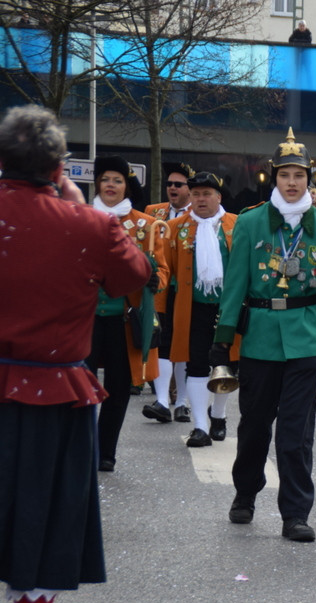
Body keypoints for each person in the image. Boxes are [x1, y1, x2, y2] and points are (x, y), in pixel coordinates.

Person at [0, 104, 151, 603]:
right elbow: (134, 275)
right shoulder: (87, 225)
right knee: (44, 523)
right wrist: (76, 201)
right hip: (51, 389)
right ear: (60, 166)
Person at [213, 128, 316, 542]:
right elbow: (235, 285)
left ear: (310, 180)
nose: (292, 182)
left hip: (305, 340)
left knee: (295, 434)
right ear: (274, 177)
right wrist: (223, 337)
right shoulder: (250, 222)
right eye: (285, 174)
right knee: (254, 427)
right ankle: (245, 494)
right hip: (261, 339)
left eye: (300, 175)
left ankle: (295, 513)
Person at [88, 155, 170, 472]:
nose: (111, 185)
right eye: (106, 179)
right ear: (97, 182)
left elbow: (162, 272)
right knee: (78, 383)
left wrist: (154, 280)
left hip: (124, 319)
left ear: (126, 185)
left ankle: (106, 451)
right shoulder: (79, 218)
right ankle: (81, 446)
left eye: (118, 180)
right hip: (84, 320)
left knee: (119, 387)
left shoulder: (145, 226)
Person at [158, 172, 239, 447]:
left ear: (219, 196)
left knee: (227, 365)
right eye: (196, 194)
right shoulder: (176, 227)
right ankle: (200, 427)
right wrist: (161, 313)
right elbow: (165, 271)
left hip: (228, 308)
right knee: (196, 365)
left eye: (207, 194)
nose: (201, 199)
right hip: (191, 309)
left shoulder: (236, 226)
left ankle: (218, 414)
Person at [144, 162, 196, 422]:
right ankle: (163, 400)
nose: (172, 188)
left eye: (179, 184)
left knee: (184, 344)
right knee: (162, 343)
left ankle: (182, 403)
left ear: (190, 189)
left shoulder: (199, 213)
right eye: (169, 184)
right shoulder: (153, 213)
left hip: (188, 288)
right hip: (162, 288)